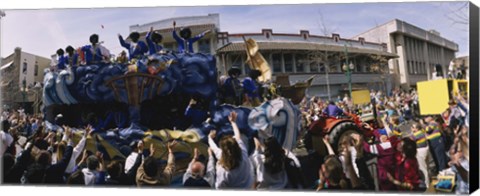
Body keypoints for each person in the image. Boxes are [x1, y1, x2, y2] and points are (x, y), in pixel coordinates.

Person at [208, 111, 254, 189]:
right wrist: (233, 122)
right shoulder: (243, 153)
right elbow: (238, 136)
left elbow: (219, 187)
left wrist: (209, 137)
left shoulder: (223, 170)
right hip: (248, 188)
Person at [409, 122, 430, 188]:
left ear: (416, 128)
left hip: (420, 151)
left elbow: (410, 139)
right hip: (425, 149)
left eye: (413, 127)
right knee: (426, 167)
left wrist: (412, 132)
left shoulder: (417, 134)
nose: (412, 128)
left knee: (423, 168)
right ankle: (428, 181)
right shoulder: (422, 132)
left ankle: (426, 184)